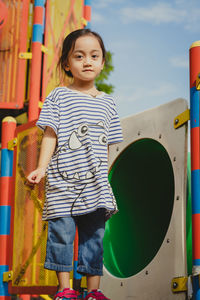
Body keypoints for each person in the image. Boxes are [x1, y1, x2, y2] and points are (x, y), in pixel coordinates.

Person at [27, 28, 123, 300]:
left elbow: (108, 145)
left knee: (94, 238)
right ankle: (65, 288)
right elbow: (50, 134)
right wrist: (42, 168)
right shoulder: (59, 96)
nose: (87, 61)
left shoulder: (109, 103)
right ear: (67, 64)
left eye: (94, 55)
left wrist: (106, 179)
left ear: (103, 62)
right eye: (79, 56)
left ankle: (93, 291)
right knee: (62, 235)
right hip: (63, 182)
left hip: (96, 184)